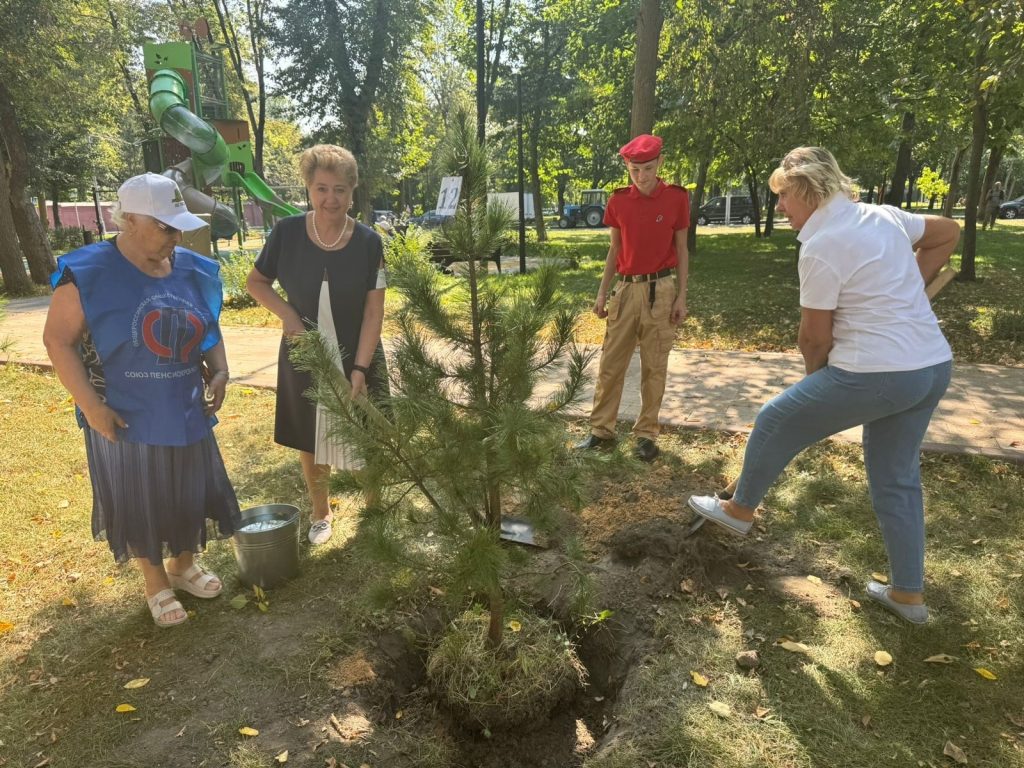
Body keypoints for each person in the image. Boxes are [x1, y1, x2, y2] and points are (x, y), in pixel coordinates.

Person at [687, 147, 960, 624]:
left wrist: (815, 388)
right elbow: (948, 232)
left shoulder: (822, 244)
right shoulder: (883, 216)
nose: (779, 208)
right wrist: (907, 289)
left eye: (784, 197)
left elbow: (814, 337)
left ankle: (739, 510)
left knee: (775, 419)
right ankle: (908, 596)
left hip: (878, 372)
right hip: (931, 367)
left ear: (809, 191)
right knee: (896, 479)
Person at [43, 172, 240, 628]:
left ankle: (184, 564)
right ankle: (155, 581)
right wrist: (92, 407)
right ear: (128, 220)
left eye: (178, 227)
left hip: (185, 402)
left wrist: (222, 368)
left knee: (190, 487)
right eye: (165, 226)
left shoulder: (193, 268)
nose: (175, 236)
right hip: (124, 410)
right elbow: (58, 341)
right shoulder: (87, 272)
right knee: (142, 497)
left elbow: (208, 327)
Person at [246, 145, 387, 546]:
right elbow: (255, 283)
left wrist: (360, 368)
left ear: (352, 192)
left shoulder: (368, 242)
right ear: (309, 189)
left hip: (358, 352)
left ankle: (375, 507)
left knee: (365, 430)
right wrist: (288, 316)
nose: (331, 199)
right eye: (322, 188)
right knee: (310, 432)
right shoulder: (286, 233)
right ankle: (320, 511)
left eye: (340, 189)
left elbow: (374, 312)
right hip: (304, 352)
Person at [575, 134, 689, 462]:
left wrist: (681, 296)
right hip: (625, 290)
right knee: (611, 363)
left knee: (655, 365)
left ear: (660, 163)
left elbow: (681, 250)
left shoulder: (677, 199)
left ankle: (646, 435)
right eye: (635, 170)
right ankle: (601, 432)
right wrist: (602, 292)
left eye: (648, 169)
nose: (642, 177)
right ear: (627, 166)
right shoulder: (618, 201)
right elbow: (615, 249)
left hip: (661, 290)